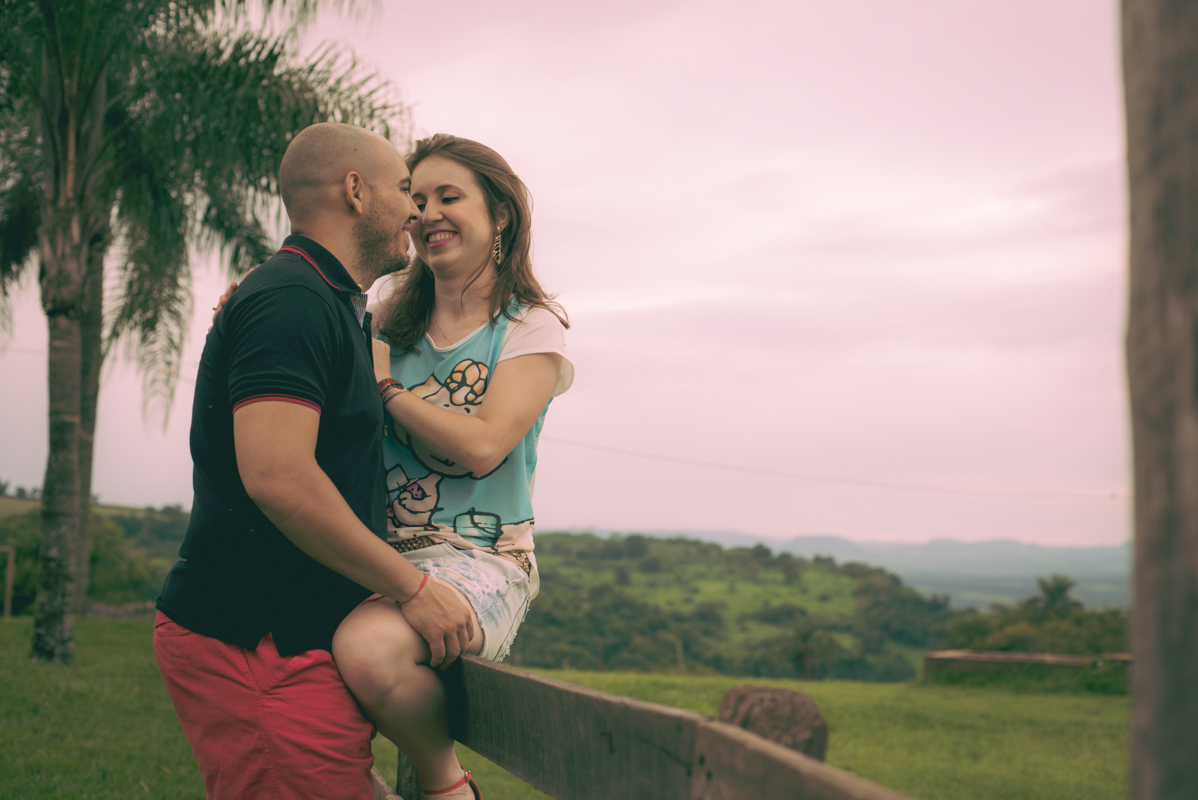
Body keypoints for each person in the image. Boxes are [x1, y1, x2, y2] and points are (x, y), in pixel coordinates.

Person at [154, 122, 475, 800]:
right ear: (355, 191)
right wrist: (414, 590)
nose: (416, 212)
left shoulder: (324, 302)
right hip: (255, 640)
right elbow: (279, 477)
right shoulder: (292, 301)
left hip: (292, 639)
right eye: (403, 191)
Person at [331, 134, 572, 800]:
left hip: (482, 560)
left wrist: (387, 391)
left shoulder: (531, 327)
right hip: (379, 557)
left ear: (500, 215)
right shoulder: (381, 325)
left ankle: (446, 789)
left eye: (449, 196)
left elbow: (485, 445)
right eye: (416, 197)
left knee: (369, 650)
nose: (427, 211)